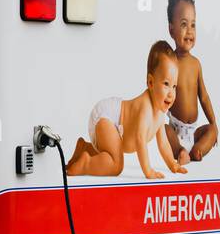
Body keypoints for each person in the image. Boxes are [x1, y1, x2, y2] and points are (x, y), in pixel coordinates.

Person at [67, 40, 187, 179]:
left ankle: (85, 148)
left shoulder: (159, 113)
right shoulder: (145, 107)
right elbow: (139, 139)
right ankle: (85, 164)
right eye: (166, 84)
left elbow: (163, 143)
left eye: (174, 86)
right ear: (151, 82)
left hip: (113, 123)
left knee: (112, 151)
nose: (171, 93)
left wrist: (172, 164)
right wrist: (148, 171)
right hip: (109, 118)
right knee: (116, 165)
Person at [164, 0, 218, 163]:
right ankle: (179, 150)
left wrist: (214, 123)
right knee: (163, 129)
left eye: (193, 25)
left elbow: (204, 97)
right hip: (175, 128)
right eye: (184, 24)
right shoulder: (170, 62)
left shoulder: (196, 64)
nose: (190, 31)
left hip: (193, 132)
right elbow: (161, 94)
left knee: (211, 130)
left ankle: (197, 151)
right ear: (172, 30)